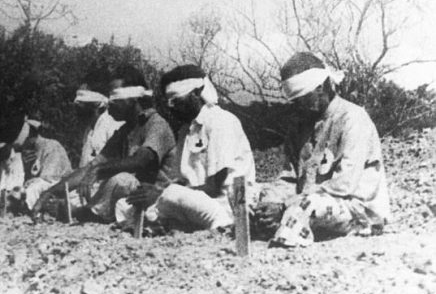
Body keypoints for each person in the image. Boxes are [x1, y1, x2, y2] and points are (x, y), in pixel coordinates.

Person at [252, 52, 391, 247]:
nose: (298, 106)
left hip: (354, 208)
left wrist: (285, 205)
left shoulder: (353, 118)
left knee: (304, 206)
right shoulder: (299, 127)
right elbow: (288, 178)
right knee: (251, 194)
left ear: (322, 87)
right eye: (295, 101)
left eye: (303, 98)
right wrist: (270, 203)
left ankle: (285, 240)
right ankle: (273, 224)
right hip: (304, 202)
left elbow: (344, 185)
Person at [116, 65, 256, 232]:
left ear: (196, 93)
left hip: (225, 204)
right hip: (192, 201)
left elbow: (215, 186)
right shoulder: (186, 130)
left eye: (175, 100)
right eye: (168, 102)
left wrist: (161, 194)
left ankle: (223, 225)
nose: (171, 107)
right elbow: (183, 179)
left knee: (172, 194)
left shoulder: (220, 121)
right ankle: (170, 224)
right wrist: (155, 193)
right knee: (124, 205)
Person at [32, 64, 177, 223]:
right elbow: (90, 167)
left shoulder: (157, 124)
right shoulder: (125, 131)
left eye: (115, 97)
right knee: (113, 180)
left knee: (121, 180)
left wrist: (99, 170)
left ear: (134, 97)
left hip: (156, 199)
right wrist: (50, 192)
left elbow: (141, 160)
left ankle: (82, 213)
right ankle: (82, 212)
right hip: (131, 201)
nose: (110, 103)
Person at [0, 116, 72, 215]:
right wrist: (26, 169)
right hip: (32, 187)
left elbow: (51, 178)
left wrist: (33, 179)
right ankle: (0, 205)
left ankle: (15, 208)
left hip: (58, 185)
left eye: (25, 144)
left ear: (31, 137)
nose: (24, 148)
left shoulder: (53, 146)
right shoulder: (28, 152)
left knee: (36, 187)